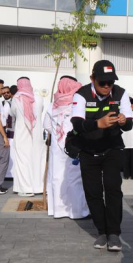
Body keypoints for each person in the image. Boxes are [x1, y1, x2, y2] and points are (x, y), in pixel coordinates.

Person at [71, 60, 133, 251]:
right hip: (88, 150)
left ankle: (114, 232)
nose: (107, 86)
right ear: (92, 79)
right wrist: (98, 124)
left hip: (112, 149)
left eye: (110, 82)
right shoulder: (81, 94)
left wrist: (123, 121)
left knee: (113, 189)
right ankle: (102, 232)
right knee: (93, 192)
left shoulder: (120, 93)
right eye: (102, 83)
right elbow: (76, 123)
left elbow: (129, 124)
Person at [44, 76, 89, 219]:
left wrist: (57, 132)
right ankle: (77, 211)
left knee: (57, 177)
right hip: (73, 145)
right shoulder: (78, 104)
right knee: (75, 178)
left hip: (57, 148)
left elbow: (46, 126)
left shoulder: (53, 105)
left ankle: (58, 210)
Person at [12, 77, 46, 197]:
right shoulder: (39, 98)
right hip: (36, 135)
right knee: (37, 160)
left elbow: (13, 113)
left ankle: (26, 188)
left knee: (22, 160)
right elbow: (40, 111)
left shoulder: (16, 99)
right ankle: (39, 187)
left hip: (22, 134)